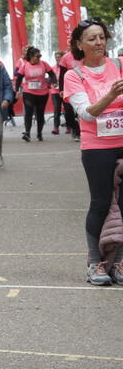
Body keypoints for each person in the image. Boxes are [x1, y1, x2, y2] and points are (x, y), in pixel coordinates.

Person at [62, 18, 123, 285]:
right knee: (100, 203)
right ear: (79, 44)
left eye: (101, 37)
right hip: (97, 147)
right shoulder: (74, 76)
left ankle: (119, 261)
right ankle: (95, 263)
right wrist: (110, 96)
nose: (99, 43)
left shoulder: (119, 66)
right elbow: (86, 112)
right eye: (91, 39)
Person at [16, 46, 54, 142]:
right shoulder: (25, 65)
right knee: (28, 112)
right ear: (30, 56)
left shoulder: (44, 64)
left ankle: (39, 134)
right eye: (36, 56)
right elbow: (19, 78)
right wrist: (17, 90)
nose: (38, 58)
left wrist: (52, 82)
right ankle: (27, 133)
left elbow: (52, 74)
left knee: (40, 114)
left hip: (42, 93)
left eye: (39, 56)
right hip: (29, 92)